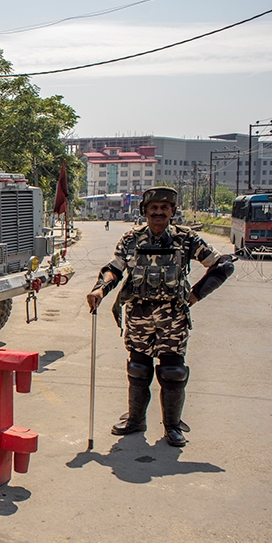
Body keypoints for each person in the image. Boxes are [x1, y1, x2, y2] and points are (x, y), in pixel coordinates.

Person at [86, 187, 234, 447]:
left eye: (164, 208)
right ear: (144, 211)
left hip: (173, 318)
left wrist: (196, 294)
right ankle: (135, 420)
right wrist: (100, 289)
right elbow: (115, 269)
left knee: (173, 371)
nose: (158, 212)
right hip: (138, 315)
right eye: (153, 207)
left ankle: (173, 427)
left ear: (172, 212)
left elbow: (222, 265)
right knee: (138, 368)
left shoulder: (186, 239)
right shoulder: (131, 239)